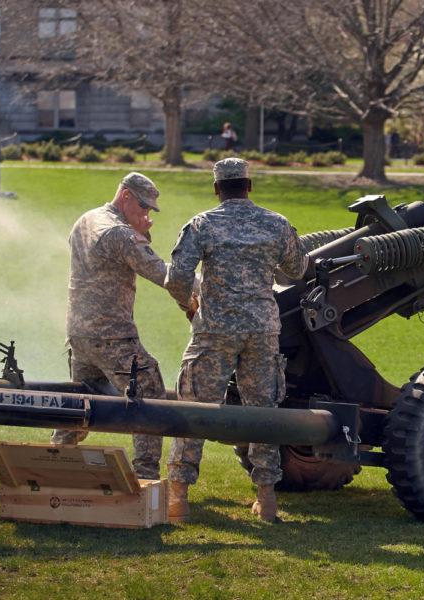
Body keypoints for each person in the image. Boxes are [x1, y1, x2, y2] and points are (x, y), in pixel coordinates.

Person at [165, 158, 307, 523]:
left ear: (217, 189)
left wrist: (191, 306)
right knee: (263, 413)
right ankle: (267, 499)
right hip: (262, 331)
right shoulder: (276, 224)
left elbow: (177, 276)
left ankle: (178, 498)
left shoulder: (203, 224)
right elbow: (297, 270)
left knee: (193, 409)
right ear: (249, 186)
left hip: (215, 330)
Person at [50, 173, 169, 480]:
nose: (145, 215)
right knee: (149, 391)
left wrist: (140, 231)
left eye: (149, 211)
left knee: (83, 400)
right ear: (125, 196)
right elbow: (162, 274)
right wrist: (206, 289)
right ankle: (146, 477)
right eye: (142, 207)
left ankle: (54, 462)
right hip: (112, 334)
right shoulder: (119, 233)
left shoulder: (86, 219)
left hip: (79, 333)